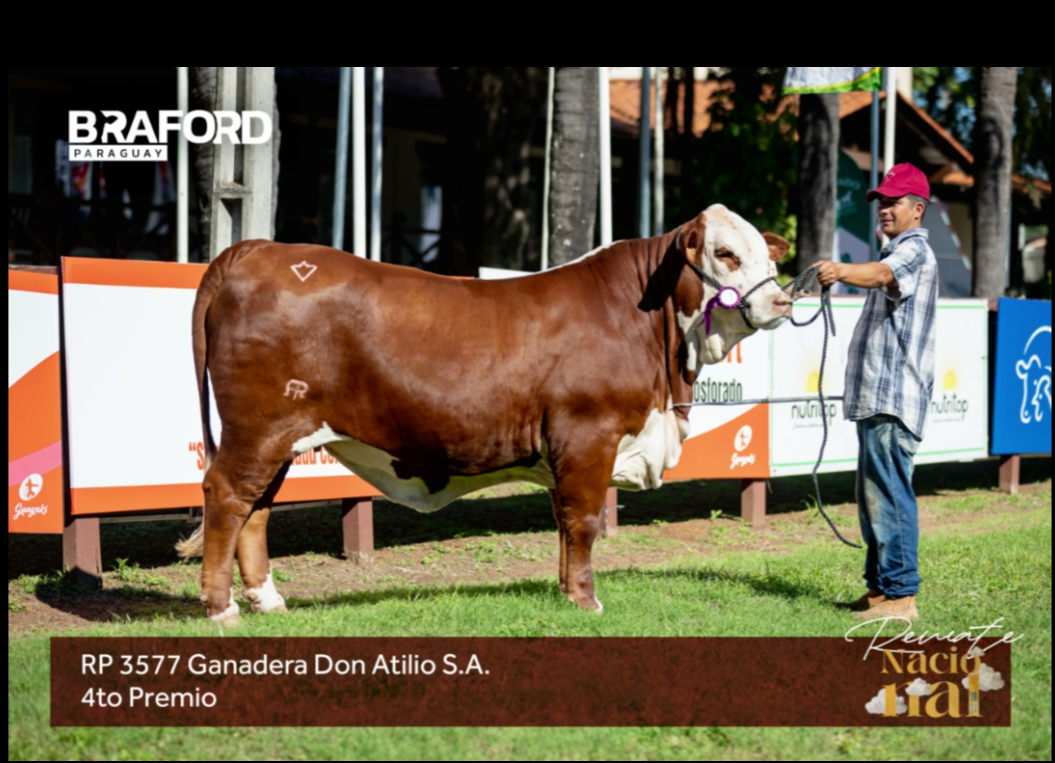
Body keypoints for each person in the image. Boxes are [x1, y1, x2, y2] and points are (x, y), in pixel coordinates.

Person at [816, 163, 939, 621]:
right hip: (879, 397)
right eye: (881, 201)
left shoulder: (912, 251)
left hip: (894, 397)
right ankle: (880, 591)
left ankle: (902, 596)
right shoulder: (897, 249)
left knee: (887, 495)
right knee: (874, 499)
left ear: (918, 209)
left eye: (893, 201)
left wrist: (840, 269)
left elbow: (881, 275)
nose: (883, 209)